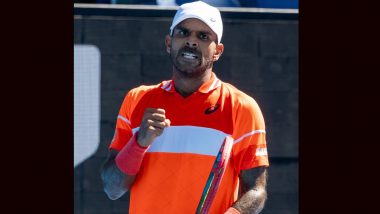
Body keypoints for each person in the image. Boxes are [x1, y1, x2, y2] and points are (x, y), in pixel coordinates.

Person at [101, 1, 269, 213]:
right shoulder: (136, 100)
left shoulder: (241, 107)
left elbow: (256, 190)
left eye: (203, 36)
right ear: (169, 42)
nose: (191, 41)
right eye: (183, 32)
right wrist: (139, 143)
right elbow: (112, 188)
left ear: (217, 51)